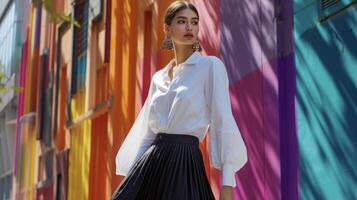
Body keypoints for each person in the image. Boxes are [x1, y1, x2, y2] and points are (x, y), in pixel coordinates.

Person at [111, 1, 247, 200]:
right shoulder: (159, 77)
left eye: (194, 22)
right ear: (167, 28)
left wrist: (227, 185)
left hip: (185, 165)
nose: (189, 27)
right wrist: (133, 178)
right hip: (152, 164)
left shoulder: (210, 67)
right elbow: (149, 134)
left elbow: (223, 123)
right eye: (182, 21)